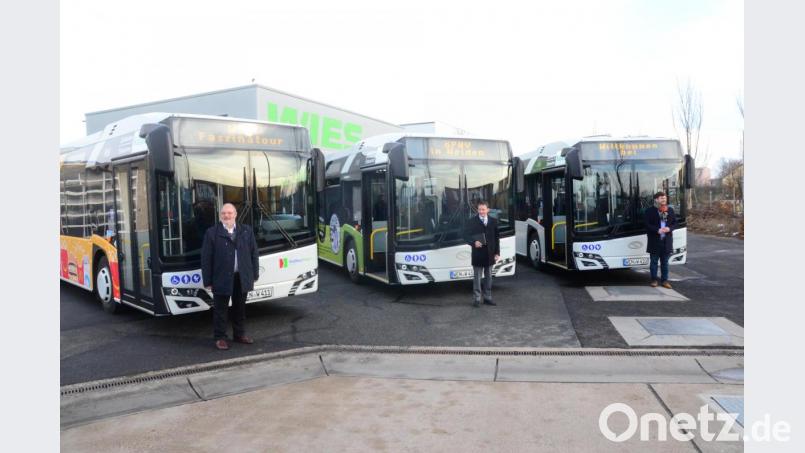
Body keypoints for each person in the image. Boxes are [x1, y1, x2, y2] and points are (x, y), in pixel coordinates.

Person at [201, 203, 259, 350]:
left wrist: (254, 274)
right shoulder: (211, 233)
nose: (226, 216)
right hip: (221, 277)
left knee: (240, 308)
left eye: (229, 213)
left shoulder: (246, 231)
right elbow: (206, 259)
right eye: (223, 213)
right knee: (220, 310)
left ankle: (239, 334)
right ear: (220, 216)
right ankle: (220, 338)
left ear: (235, 215)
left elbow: (254, 253)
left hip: (241, 277)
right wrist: (207, 280)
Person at [463, 200, 501, 307]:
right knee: (477, 278)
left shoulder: (493, 221)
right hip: (478, 254)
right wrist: (474, 242)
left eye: (483, 209)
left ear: (488, 210)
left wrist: (497, 252)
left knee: (489, 278)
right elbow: (465, 235)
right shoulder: (472, 221)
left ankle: (487, 298)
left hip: (490, 254)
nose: (481, 211)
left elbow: (496, 238)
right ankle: (477, 299)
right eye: (479, 209)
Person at [644, 191, 676, 289]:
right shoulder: (649, 211)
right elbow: (647, 224)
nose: (664, 200)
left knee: (665, 262)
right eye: (662, 198)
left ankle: (664, 281)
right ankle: (654, 280)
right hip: (654, 241)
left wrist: (669, 228)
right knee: (654, 262)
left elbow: (675, 223)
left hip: (666, 241)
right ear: (656, 200)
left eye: (665, 198)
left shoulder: (670, 210)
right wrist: (657, 230)